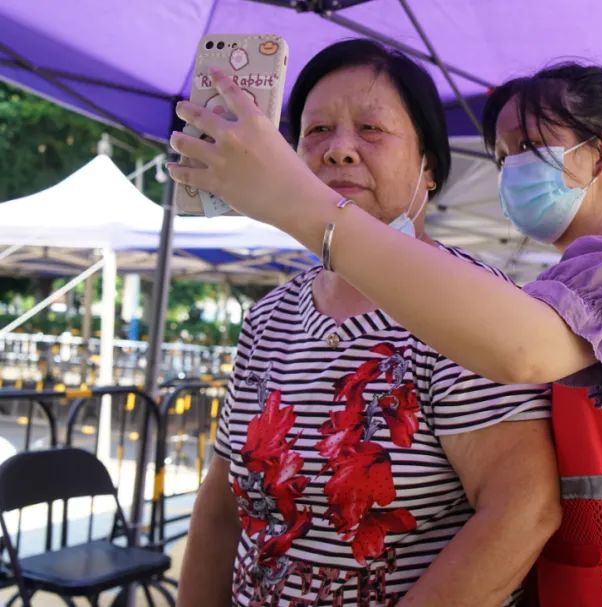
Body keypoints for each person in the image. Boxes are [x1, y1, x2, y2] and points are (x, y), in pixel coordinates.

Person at [169, 56, 602, 606]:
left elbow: (518, 353)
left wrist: (296, 203)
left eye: (532, 149)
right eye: (505, 157)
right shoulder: (567, 285)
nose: (339, 148)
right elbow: (222, 503)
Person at [175, 39, 561, 607]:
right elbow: (219, 510)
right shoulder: (267, 319)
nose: (339, 151)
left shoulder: (469, 307)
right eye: (317, 132)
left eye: (372, 130)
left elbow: (523, 509)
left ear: (428, 166)